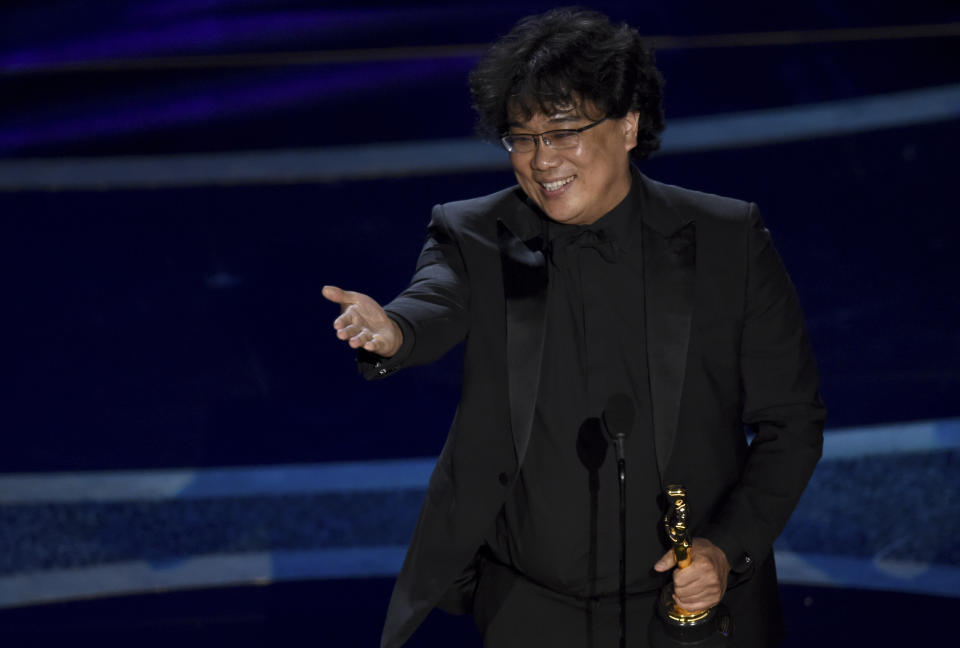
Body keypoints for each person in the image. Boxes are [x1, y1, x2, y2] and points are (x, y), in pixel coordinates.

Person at [323, 8, 825, 648]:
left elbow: (792, 420)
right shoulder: (475, 234)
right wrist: (394, 330)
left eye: (563, 132)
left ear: (629, 124)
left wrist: (727, 550)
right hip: (530, 609)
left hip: (689, 607)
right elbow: (436, 297)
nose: (541, 160)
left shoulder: (728, 240)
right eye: (522, 138)